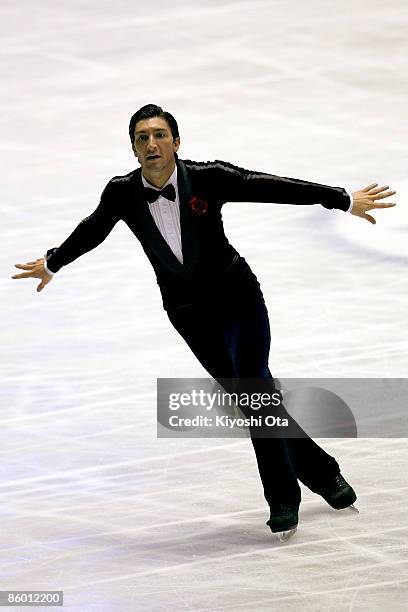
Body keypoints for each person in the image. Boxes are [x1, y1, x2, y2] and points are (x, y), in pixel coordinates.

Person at [12, 104, 396, 539]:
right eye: (142, 138)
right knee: (255, 396)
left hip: (238, 299)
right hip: (188, 313)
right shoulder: (121, 192)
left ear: (176, 142)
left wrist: (341, 198)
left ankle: (283, 498)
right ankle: (322, 471)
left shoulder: (209, 177)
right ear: (134, 149)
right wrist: (53, 262)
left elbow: (270, 186)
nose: (152, 144)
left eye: (160, 135)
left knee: (253, 392)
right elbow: (94, 228)